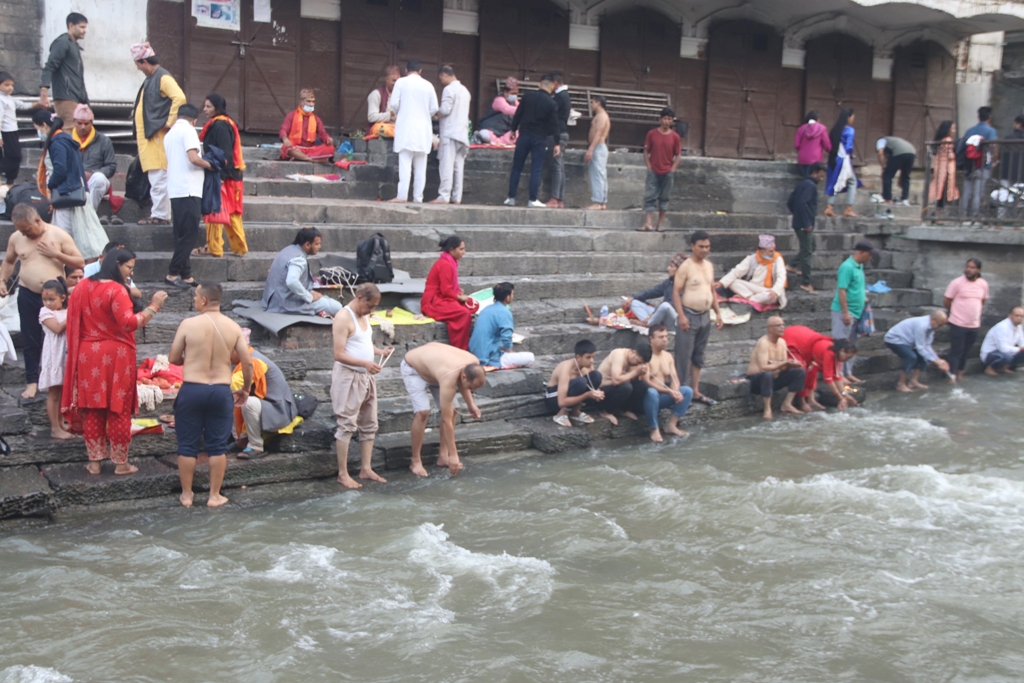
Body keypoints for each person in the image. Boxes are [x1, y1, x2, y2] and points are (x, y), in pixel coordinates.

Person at [62, 248, 167, 474]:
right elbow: (129, 323)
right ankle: (121, 464)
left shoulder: (81, 287)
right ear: (117, 264)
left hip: (87, 355)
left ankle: (94, 463)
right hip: (116, 357)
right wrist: (154, 306)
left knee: (92, 408)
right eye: (129, 268)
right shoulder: (116, 290)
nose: (129, 273)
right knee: (117, 409)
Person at [169, 282, 252, 507]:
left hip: (192, 389)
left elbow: (173, 358)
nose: (194, 299)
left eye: (196, 296)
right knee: (217, 445)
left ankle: (187, 495)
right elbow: (246, 362)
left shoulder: (188, 324)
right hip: (220, 391)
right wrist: (246, 389)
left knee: (187, 445)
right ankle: (214, 496)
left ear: (204, 300)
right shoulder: (233, 327)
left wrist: (193, 359)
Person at [0, 204, 84, 399]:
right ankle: (32, 381)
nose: (25, 233)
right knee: (30, 338)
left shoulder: (58, 235)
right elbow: (9, 262)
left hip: (54, 295)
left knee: (57, 339)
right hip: (28, 293)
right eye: (21, 230)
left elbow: (79, 262)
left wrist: (56, 255)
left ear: (38, 221)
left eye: (27, 230)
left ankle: (60, 379)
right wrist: (2, 280)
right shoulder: (16, 238)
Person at [331, 283, 391, 488]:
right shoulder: (342, 318)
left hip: (366, 377)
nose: (371, 310)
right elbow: (338, 354)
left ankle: (366, 468)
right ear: (359, 298)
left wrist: (379, 352)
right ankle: (343, 473)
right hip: (349, 377)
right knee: (347, 424)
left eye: (375, 307)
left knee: (369, 423)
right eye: (370, 306)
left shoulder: (364, 315)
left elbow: (363, 342)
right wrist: (365, 363)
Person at [401, 342, 487, 477]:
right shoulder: (449, 375)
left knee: (454, 409)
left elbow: (463, 381)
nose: (473, 391)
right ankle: (415, 460)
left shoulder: (473, 363)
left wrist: (471, 404)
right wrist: (455, 455)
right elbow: (446, 420)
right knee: (423, 412)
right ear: (464, 377)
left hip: (435, 369)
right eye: (472, 388)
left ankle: (443, 456)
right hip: (415, 370)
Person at [33, 112, 107, 261]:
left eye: (38, 128)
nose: (39, 132)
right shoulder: (66, 140)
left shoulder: (57, 142)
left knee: (62, 236)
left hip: (66, 195)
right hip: (76, 193)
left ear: (44, 125)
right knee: (85, 237)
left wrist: (50, 185)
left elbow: (60, 169)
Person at [131, 42, 186, 226]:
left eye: (138, 65)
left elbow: (179, 98)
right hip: (149, 136)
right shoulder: (151, 78)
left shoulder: (162, 77)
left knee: (159, 176)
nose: (138, 69)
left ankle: (161, 214)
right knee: (155, 175)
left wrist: (169, 123)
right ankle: (160, 212)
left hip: (156, 135)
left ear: (144, 62)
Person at [672, 230, 723, 404]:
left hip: (705, 316)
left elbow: (712, 290)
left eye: (707, 247)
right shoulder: (686, 266)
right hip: (689, 316)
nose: (704, 250)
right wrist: (681, 316)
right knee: (683, 356)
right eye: (701, 246)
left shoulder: (709, 265)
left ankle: (695, 391)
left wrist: (718, 312)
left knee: (698, 356)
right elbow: (676, 292)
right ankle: (678, 391)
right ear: (692, 246)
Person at [164, 103, 211, 288]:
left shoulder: (169, 134)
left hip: (176, 189)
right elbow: (193, 158)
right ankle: (172, 273)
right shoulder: (189, 131)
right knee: (189, 235)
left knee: (180, 234)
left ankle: (186, 274)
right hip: (189, 189)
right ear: (194, 120)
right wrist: (210, 165)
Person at [198, 93, 248, 258]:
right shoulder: (225, 124)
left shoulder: (219, 126)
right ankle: (238, 247)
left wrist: (220, 177)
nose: (205, 110)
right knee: (231, 213)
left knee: (215, 211)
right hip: (231, 175)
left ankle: (215, 247)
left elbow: (225, 153)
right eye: (205, 106)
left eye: (209, 107)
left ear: (217, 109)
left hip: (223, 175)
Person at [231, 348, 298, 459]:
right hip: (267, 409)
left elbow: (233, 385)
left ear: (235, 350)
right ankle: (242, 439)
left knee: (247, 402)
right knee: (235, 397)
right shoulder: (246, 359)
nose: (228, 359)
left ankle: (256, 446)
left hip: (280, 412)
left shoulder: (255, 362)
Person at [503, 75, 559, 208]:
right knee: (536, 169)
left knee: (517, 167)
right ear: (551, 86)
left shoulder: (527, 96)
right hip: (539, 138)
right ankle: (532, 199)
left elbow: (518, 113)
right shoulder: (551, 103)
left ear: (539, 84)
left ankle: (511, 198)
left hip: (524, 135)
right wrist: (557, 142)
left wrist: (513, 130)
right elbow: (554, 124)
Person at [262, 227, 342, 316]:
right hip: (284, 303)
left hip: (273, 299)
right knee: (337, 307)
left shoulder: (289, 249)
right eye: (317, 244)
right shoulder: (299, 259)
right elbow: (292, 281)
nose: (319, 247)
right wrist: (310, 297)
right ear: (307, 245)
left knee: (320, 297)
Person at [389, 61, 438, 204]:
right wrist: (423, 114)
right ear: (420, 71)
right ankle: (418, 198)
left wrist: (402, 113)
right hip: (423, 130)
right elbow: (434, 107)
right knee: (420, 168)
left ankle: (402, 196)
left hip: (406, 128)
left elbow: (394, 104)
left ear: (406, 70)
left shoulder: (401, 83)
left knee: (405, 164)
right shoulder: (428, 85)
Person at [782, 326, 859, 411]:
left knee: (813, 369)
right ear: (842, 351)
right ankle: (800, 402)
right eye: (847, 357)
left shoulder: (837, 355)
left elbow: (837, 377)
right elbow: (828, 378)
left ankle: (811, 400)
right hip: (793, 340)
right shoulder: (829, 352)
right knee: (801, 370)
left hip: (807, 344)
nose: (846, 360)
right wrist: (840, 398)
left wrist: (845, 395)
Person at [421, 236, 478, 350]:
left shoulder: (449, 262)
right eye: (461, 249)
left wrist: (458, 292)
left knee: (473, 304)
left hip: (442, 297)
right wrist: (459, 297)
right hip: (433, 302)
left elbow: (448, 287)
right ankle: (460, 348)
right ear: (452, 250)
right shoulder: (445, 264)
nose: (464, 252)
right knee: (464, 314)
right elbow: (446, 291)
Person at [831, 241, 875, 382]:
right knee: (840, 345)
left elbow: (856, 287)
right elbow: (842, 290)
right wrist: (845, 312)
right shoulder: (847, 267)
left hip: (858, 311)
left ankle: (848, 372)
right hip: (844, 311)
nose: (870, 258)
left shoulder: (859, 266)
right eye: (869, 255)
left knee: (852, 345)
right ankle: (838, 374)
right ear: (861, 252)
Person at [747, 316, 806, 419]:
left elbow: (783, 368)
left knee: (799, 372)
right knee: (767, 374)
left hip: (775, 378)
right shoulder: (763, 343)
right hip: (757, 381)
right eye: (778, 325)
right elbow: (763, 367)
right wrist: (784, 363)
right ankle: (767, 409)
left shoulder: (782, 343)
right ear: (770, 328)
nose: (782, 328)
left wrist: (790, 365)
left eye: (783, 325)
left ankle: (787, 404)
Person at [942, 258, 988, 383]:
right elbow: (947, 300)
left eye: (972, 267)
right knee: (956, 350)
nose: (969, 270)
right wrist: (956, 312)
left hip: (973, 324)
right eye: (968, 267)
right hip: (957, 323)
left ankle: (960, 373)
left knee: (966, 351)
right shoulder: (957, 283)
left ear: (978, 270)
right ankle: (951, 376)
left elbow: (982, 301)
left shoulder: (983, 284)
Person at [644, 324, 693, 441]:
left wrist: (675, 392)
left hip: (662, 397)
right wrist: (669, 391)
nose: (665, 340)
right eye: (661, 337)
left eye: (666, 337)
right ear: (651, 339)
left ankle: (671, 425)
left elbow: (674, 378)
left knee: (687, 391)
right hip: (646, 399)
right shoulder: (646, 355)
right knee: (651, 392)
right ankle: (654, 429)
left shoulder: (668, 356)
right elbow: (646, 382)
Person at [470, 282, 534, 369]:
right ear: (507, 297)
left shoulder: (486, 309)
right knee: (530, 357)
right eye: (512, 294)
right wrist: (510, 352)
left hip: (474, 352)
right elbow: (506, 337)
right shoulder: (504, 312)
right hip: (488, 356)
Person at [70, 104, 117, 222]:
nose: (82, 127)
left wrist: (91, 174)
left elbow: (111, 166)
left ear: (92, 122)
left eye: (86, 124)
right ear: (74, 122)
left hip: (94, 181)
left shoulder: (104, 141)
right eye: (79, 123)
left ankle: (87, 216)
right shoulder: (67, 140)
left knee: (99, 178)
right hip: (73, 180)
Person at [884, 309, 950, 392]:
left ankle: (913, 381)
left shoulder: (931, 328)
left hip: (908, 342)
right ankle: (900, 384)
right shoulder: (922, 326)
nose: (939, 328)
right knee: (911, 357)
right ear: (933, 319)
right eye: (939, 325)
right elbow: (921, 347)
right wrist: (936, 361)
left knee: (925, 357)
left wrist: (937, 359)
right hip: (894, 339)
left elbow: (927, 346)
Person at [40, 13, 89, 123]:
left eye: (85, 27)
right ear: (71, 25)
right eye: (82, 27)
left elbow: (78, 77)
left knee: (79, 132)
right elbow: (49, 67)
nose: (84, 30)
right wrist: (44, 93)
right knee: (70, 129)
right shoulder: (62, 42)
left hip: (77, 98)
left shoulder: (74, 45)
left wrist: (85, 101)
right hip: (66, 96)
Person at [38, 277, 72, 439]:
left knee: (62, 391)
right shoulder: (45, 312)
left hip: (65, 355)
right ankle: (54, 428)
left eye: (52, 299)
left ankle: (61, 422)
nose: (48, 303)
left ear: (62, 298)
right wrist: (73, 313)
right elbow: (57, 328)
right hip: (53, 356)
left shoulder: (66, 311)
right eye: (45, 299)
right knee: (54, 393)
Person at [544, 339, 605, 427]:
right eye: (588, 357)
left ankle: (576, 411)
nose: (591, 361)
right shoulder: (566, 368)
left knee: (596, 376)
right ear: (578, 357)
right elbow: (561, 402)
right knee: (581, 382)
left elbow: (592, 385)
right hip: (554, 399)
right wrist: (587, 395)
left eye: (593, 357)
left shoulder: (588, 366)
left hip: (568, 396)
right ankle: (562, 413)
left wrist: (598, 392)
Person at [716, 234, 787, 308]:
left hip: (768, 290)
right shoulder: (752, 258)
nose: (773, 253)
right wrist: (721, 282)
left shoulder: (777, 259)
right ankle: (751, 297)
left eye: (773, 251)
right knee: (732, 282)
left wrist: (775, 291)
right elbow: (737, 271)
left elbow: (781, 277)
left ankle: (749, 298)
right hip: (752, 287)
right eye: (770, 251)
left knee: (768, 296)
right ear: (762, 251)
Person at [433, 65, 471, 205]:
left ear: (444, 75)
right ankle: (457, 197)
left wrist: (435, 111)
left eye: (441, 78)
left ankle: (444, 196)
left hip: (449, 133)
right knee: (458, 168)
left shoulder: (448, 90)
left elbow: (445, 110)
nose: (441, 81)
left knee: (446, 166)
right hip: (462, 134)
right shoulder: (465, 91)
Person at [787, 161, 827, 293]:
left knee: (811, 246)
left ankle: (792, 264)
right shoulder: (810, 186)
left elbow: (790, 202)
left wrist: (797, 215)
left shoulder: (802, 184)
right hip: (805, 224)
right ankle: (806, 282)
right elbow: (803, 204)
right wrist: (806, 223)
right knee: (808, 252)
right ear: (814, 173)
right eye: (820, 176)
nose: (821, 179)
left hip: (799, 222)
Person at [641, 107, 682, 231]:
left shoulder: (675, 137)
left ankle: (660, 224)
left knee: (664, 198)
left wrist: (673, 169)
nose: (667, 121)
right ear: (660, 119)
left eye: (669, 119)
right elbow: (646, 150)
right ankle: (648, 223)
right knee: (650, 196)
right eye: (665, 118)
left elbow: (678, 154)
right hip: (653, 171)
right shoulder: (652, 134)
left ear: (672, 121)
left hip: (667, 172)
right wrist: (648, 166)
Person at [594, 343, 652, 425]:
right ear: (633, 352)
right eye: (638, 361)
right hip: (603, 392)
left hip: (617, 389)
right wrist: (636, 372)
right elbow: (616, 381)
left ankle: (622, 409)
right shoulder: (619, 355)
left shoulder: (632, 361)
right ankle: (606, 411)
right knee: (626, 387)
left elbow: (631, 380)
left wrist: (639, 374)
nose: (637, 364)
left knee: (642, 385)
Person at [623, 253, 685, 328]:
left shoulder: (686, 285)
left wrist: (653, 315)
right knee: (634, 303)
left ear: (679, 270)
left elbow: (672, 305)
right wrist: (633, 297)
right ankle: (651, 323)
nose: (668, 268)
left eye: (671, 266)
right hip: (659, 317)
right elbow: (652, 292)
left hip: (674, 320)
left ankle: (647, 324)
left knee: (665, 306)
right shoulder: (669, 282)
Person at [960, 106, 998, 220]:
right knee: (977, 192)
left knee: (966, 191)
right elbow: (994, 146)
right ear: (990, 117)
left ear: (978, 116)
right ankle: (974, 217)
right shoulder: (990, 131)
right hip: (983, 165)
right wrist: (994, 161)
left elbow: (963, 146)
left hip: (969, 165)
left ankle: (962, 215)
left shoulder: (970, 130)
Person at [0, 71, 35, 186]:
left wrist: (37, 104)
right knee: (15, 156)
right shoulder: (1, 100)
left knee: (14, 156)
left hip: (13, 131)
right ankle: (9, 178)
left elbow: (21, 105)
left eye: (12, 85)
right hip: (6, 132)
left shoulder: (9, 98)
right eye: (6, 85)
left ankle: (10, 181)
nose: (10, 88)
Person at [279, 89, 334, 162]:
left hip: (310, 149)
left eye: (313, 101)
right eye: (308, 101)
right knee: (285, 147)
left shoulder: (316, 119)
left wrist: (328, 139)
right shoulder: (291, 115)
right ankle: (311, 159)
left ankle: (301, 158)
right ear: (301, 102)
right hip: (296, 148)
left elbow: (322, 134)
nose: (311, 104)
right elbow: (283, 129)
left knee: (330, 148)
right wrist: (285, 139)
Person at [824, 108, 858, 218]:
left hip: (834, 159)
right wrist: (851, 154)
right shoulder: (849, 130)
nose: (853, 119)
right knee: (852, 181)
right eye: (853, 117)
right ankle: (849, 208)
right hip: (843, 160)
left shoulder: (835, 130)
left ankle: (829, 207)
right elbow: (848, 147)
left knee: (835, 182)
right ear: (848, 117)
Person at [546, 71, 571, 208]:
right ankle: (560, 198)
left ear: (555, 83)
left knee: (556, 166)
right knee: (560, 166)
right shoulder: (564, 96)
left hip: (557, 134)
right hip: (563, 132)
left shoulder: (560, 97)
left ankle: (555, 198)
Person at [980, 306, 1024, 375]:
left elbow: (1022, 342)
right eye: (1017, 316)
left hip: (1006, 352)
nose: (1019, 318)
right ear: (1010, 315)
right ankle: (990, 368)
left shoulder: (1019, 327)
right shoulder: (1002, 327)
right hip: (991, 354)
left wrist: (1022, 348)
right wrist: (1020, 349)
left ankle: (1004, 367)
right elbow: (1003, 348)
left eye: (1021, 316)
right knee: (1007, 356)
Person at [585, 95, 610, 210]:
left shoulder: (602, 116)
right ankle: (602, 201)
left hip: (598, 147)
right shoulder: (600, 116)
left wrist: (591, 148)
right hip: (598, 147)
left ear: (598, 102)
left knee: (597, 175)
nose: (591, 104)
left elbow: (599, 133)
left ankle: (598, 201)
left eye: (592, 102)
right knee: (600, 174)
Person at [476, 77, 519, 146]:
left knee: (519, 133)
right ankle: (499, 142)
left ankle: (499, 142)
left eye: (516, 94)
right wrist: (523, 110)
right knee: (484, 133)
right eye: (512, 93)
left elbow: (519, 108)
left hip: (505, 132)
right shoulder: (499, 100)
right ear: (505, 92)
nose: (514, 96)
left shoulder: (515, 101)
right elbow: (507, 109)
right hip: (491, 129)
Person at [876, 136, 916, 205]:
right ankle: (905, 199)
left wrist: (883, 167)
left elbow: (880, 153)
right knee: (905, 176)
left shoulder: (880, 140)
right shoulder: (894, 141)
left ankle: (888, 199)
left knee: (887, 176)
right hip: (912, 152)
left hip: (899, 153)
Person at [928, 121, 959, 207]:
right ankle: (939, 214)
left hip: (940, 168)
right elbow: (950, 155)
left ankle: (938, 214)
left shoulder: (940, 140)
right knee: (945, 191)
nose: (954, 131)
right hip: (947, 170)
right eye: (952, 128)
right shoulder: (948, 140)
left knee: (940, 190)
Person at [793, 110, 832, 178]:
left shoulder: (801, 128)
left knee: (805, 178)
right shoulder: (822, 128)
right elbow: (827, 145)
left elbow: (796, 144)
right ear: (818, 119)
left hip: (803, 159)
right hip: (816, 160)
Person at [366, 65, 400, 136]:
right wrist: (389, 115)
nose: (396, 83)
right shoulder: (376, 94)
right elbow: (371, 117)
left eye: (398, 81)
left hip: (397, 130)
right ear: (387, 80)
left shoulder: (400, 96)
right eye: (393, 80)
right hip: (382, 130)